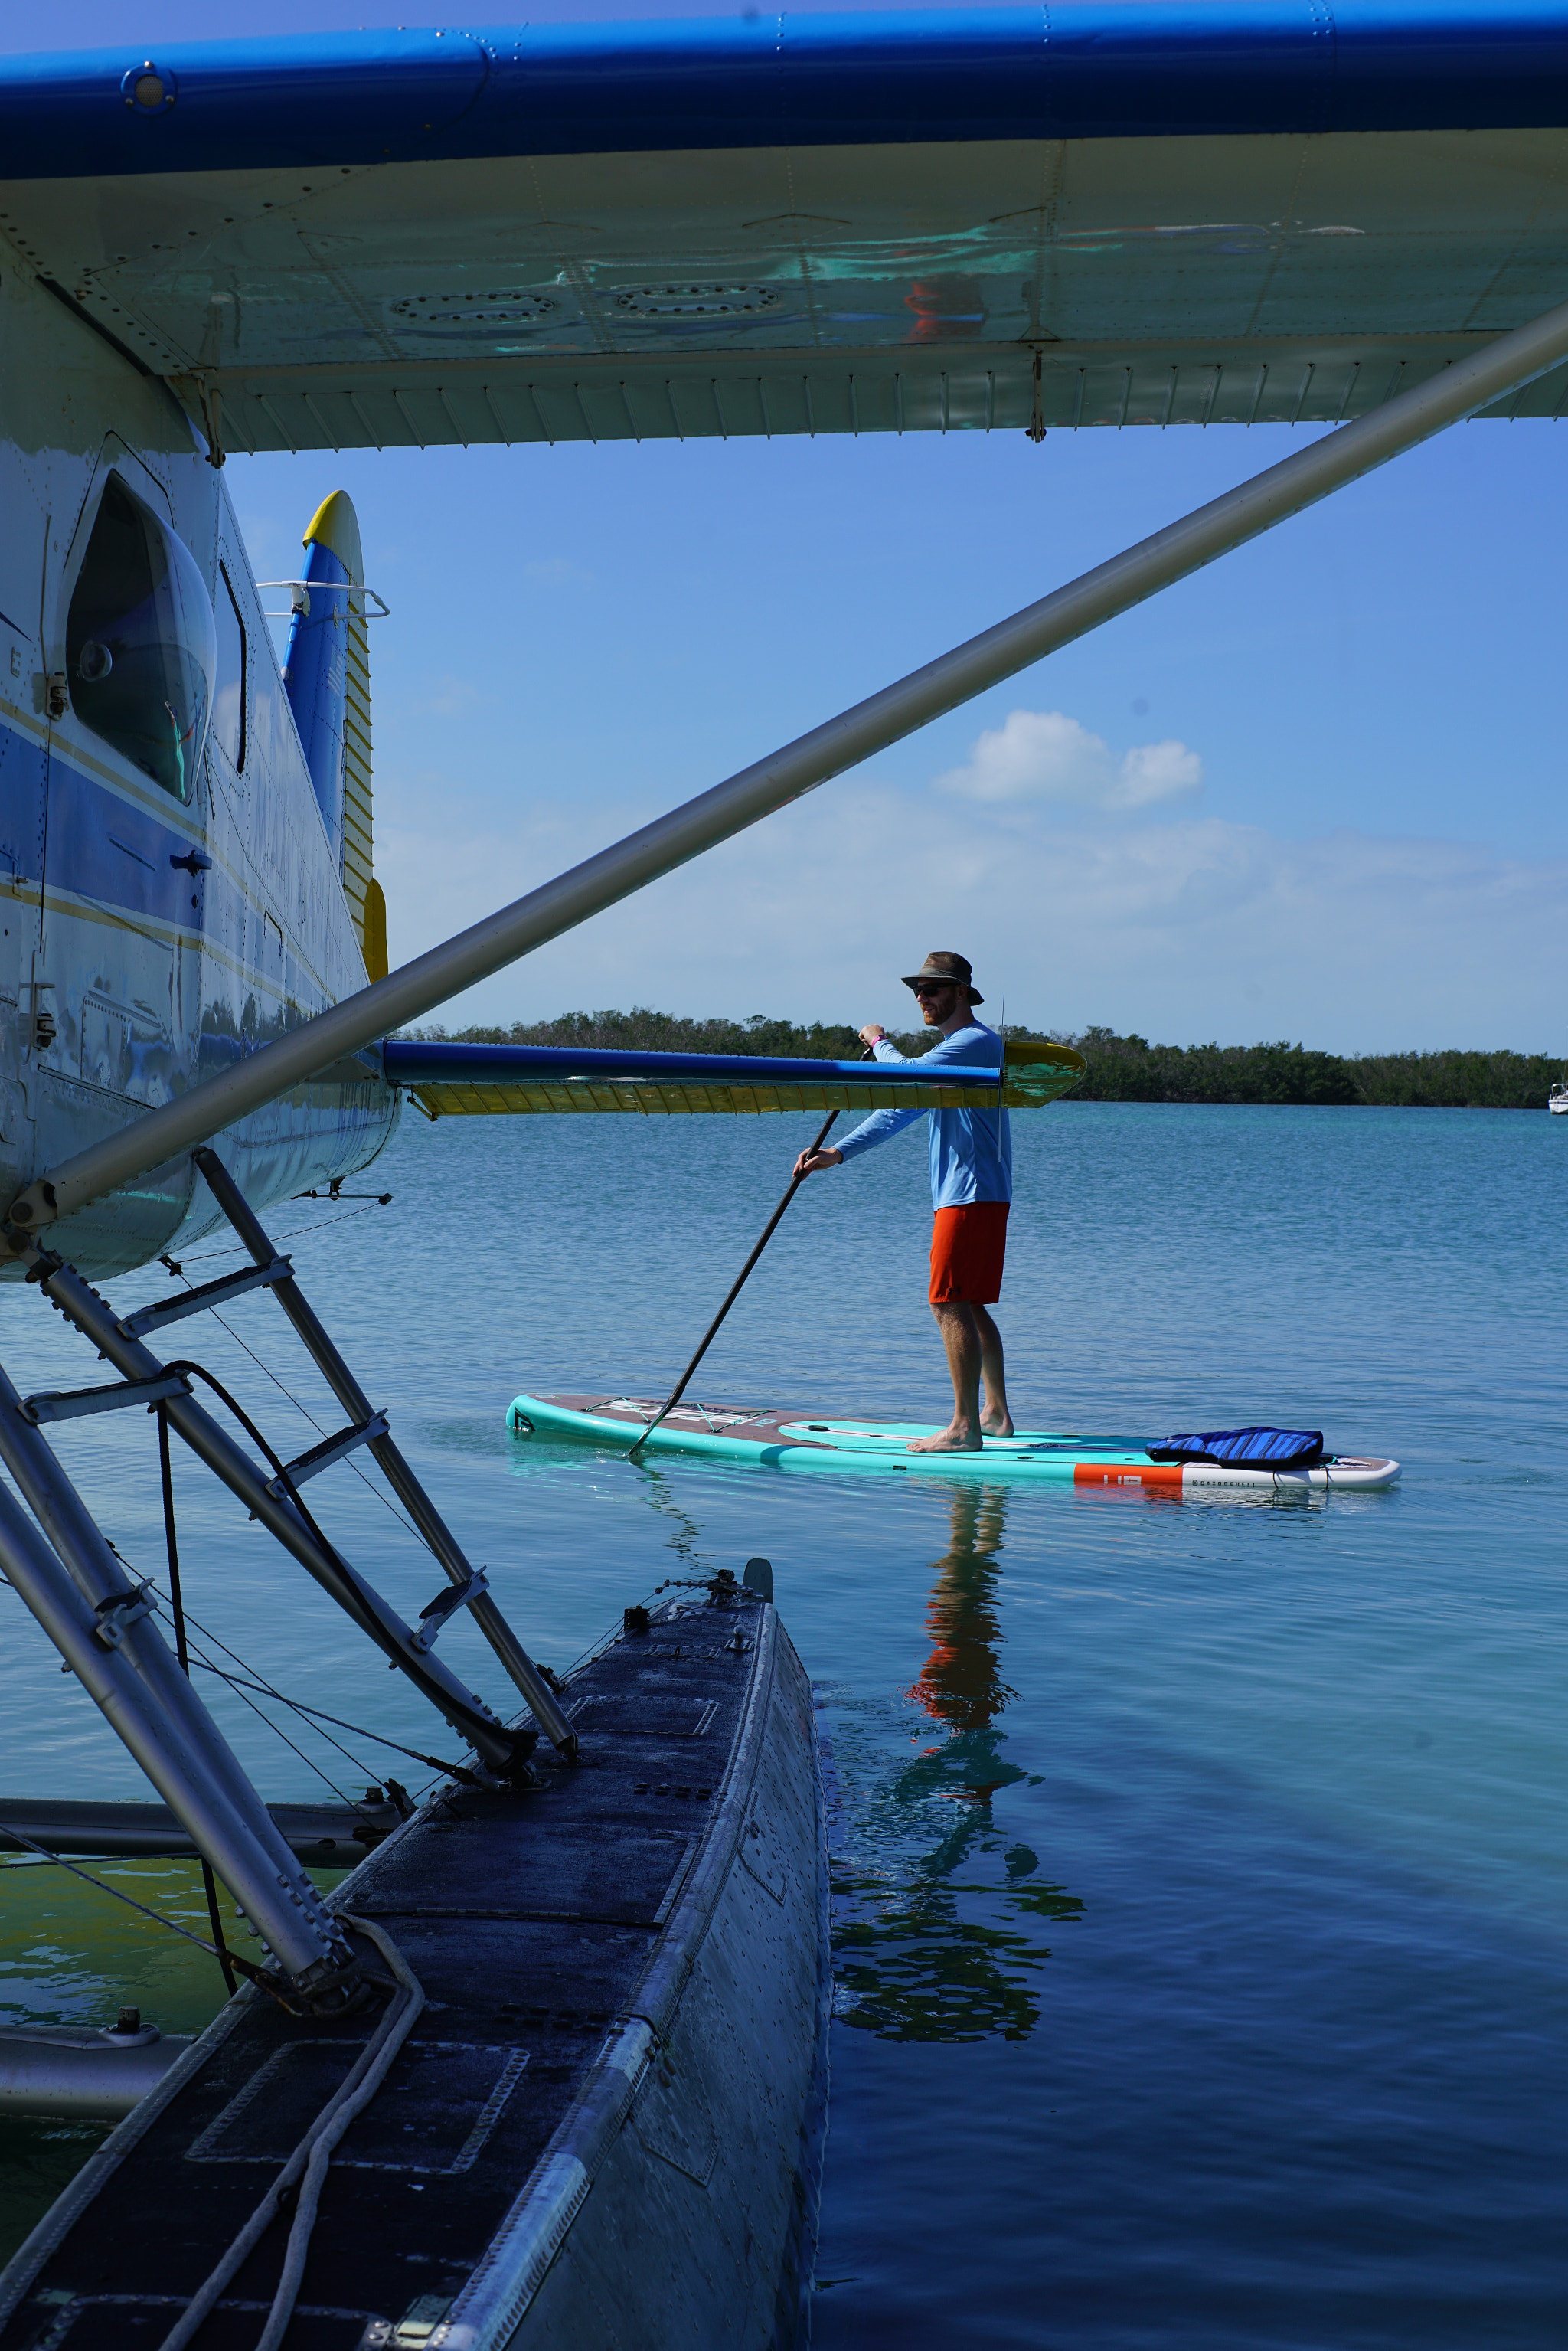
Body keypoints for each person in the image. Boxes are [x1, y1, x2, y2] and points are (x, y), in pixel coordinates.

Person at [793, 950, 1012, 1453]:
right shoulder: (960, 1052)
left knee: (946, 1302)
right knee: (969, 1301)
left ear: (960, 992)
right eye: (918, 990)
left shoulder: (972, 1042)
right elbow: (903, 1107)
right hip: (976, 1193)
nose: (922, 997)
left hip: (970, 1193)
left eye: (933, 989)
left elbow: (905, 1077)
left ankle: (963, 1428)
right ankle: (995, 1415)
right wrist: (840, 1152)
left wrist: (878, 1042)